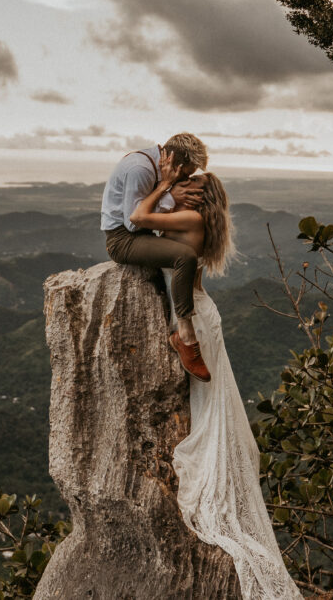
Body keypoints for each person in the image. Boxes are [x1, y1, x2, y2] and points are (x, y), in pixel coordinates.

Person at [129, 166, 304, 600]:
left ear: (200, 198)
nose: (182, 190)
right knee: (211, 408)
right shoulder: (204, 219)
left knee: (210, 412)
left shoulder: (189, 219)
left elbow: (139, 218)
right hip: (204, 313)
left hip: (197, 320)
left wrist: (163, 186)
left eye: (191, 186)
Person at [101, 133, 211, 379]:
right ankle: (185, 335)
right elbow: (133, 224)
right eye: (185, 174)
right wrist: (168, 193)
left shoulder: (155, 166)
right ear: (175, 164)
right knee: (185, 256)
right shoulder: (140, 169)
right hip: (123, 239)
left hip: (142, 232)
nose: (185, 180)